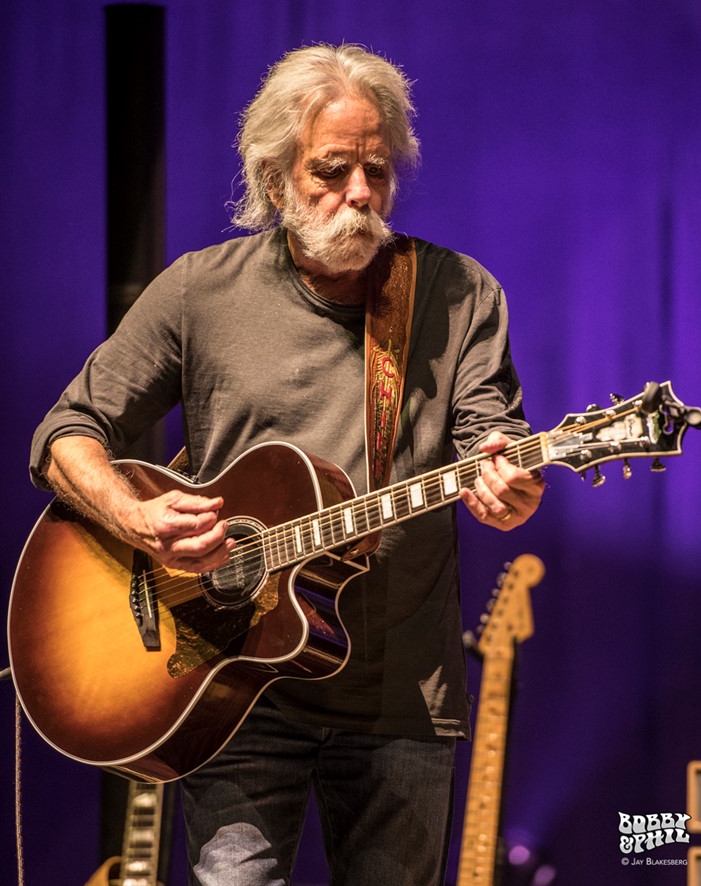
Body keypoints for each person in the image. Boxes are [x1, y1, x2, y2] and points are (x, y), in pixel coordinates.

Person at [30, 43, 545, 886]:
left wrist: (506, 484)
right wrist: (135, 518)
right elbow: (68, 431)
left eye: (376, 172)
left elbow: (493, 440)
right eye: (331, 171)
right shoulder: (200, 292)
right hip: (226, 689)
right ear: (276, 181)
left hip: (399, 699)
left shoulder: (458, 294)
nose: (359, 196)